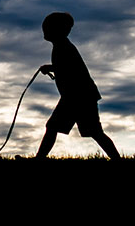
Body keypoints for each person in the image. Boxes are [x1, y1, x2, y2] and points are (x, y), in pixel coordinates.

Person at [35, 11, 120, 159]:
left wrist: (51, 68)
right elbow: (67, 67)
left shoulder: (63, 46)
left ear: (56, 29)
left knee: (58, 127)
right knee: (91, 131)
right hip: (78, 96)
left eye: (47, 28)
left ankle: (39, 159)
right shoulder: (61, 46)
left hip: (78, 97)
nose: (45, 31)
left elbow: (68, 68)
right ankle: (118, 159)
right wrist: (52, 67)